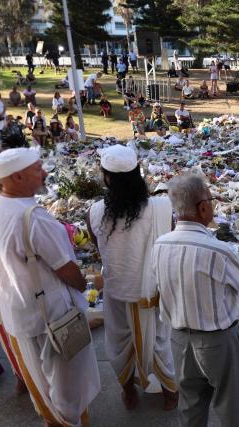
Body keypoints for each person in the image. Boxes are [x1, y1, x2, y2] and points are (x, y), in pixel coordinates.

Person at [0, 148, 100, 425]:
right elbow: (67, 269)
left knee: (43, 384)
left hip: (18, 313)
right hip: (52, 318)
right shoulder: (33, 217)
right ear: (17, 176)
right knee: (68, 390)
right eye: (38, 168)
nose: (45, 172)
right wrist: (85, 285)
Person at [152, 174, 239, 427]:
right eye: (211, 199)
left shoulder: (160, 245)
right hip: (217, 341)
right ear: (203, 207)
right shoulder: (218, 250)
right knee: (231, 406)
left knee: (190, 406)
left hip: (179, 338)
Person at [86, 145, 178, 411]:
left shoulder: (93, 212)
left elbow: (99, 248)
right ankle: (171, 392)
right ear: (138, 173)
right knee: (159, 343)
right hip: (150, 292)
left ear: (107, 178)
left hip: (117, 291)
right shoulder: (162, 207)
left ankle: (128, 391)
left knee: (118, 343)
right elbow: (169, 243)